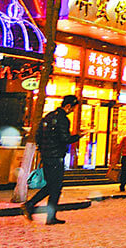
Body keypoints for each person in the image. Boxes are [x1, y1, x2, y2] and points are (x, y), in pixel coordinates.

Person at [22, 95, 82, 225]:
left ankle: (32, 205)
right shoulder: (63, 119)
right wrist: (78, 136)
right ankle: (47, 215)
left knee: (51, 186)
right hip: (56, 157)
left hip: (47, 156)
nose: (72, 111)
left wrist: (42, 150)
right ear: (68, 106)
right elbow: (65, 139)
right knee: (56, 187)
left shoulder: (49, 116)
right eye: (72, 108)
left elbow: (38, 135)